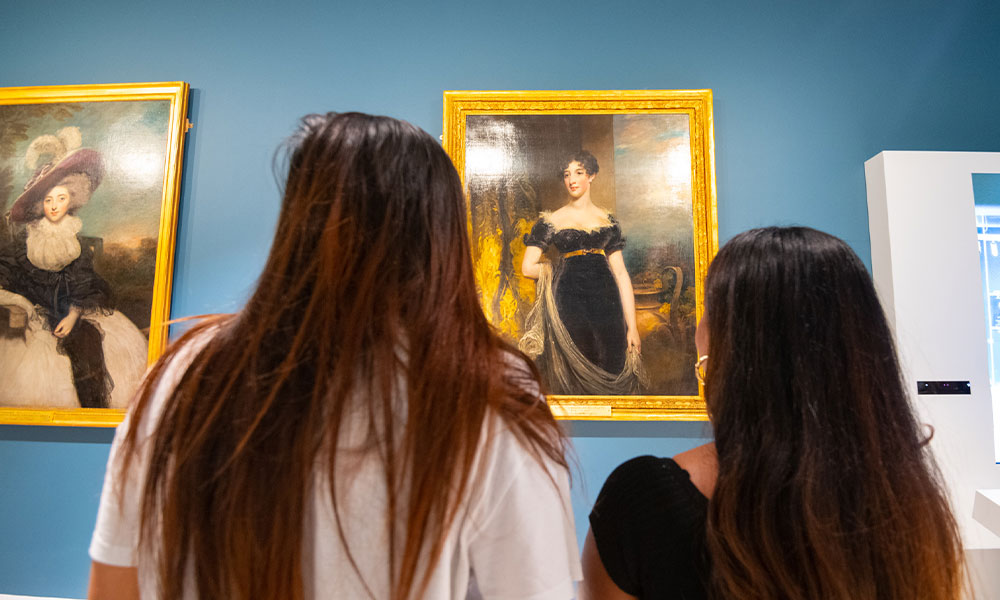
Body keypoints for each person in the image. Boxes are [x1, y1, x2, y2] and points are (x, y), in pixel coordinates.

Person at [87, 112, 581, 600]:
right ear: (442, 235)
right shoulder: (486, 387)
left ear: (298, 224)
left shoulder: (185, 371)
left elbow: (113, 588)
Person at [581, 227, 965, 600]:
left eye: (710, 311)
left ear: (731, 346)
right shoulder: (910, 507)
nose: (698, 327)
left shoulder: (642, 504)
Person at [0, 128, 147, 409]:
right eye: (48, 200)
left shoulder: (73, 242)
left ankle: (92, 408)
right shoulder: (25, 242)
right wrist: (17, 301)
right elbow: (7, 273)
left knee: (85, 341)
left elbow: (83, 283)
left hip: (68, 313)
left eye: (61, 199)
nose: (54, 206)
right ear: (39, 206)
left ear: (71, 202)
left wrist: (72, 315)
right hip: (30, 315)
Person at [520, 150, 644, 395]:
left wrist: (633, 327)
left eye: (578, 173)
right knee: (579, 359)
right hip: (569, 301)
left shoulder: (607, 221)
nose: (571, 180)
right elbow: (527, 267)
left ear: (592, 176)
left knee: (611, 356)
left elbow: (620, 274)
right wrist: (557, 269)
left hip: (608, 302)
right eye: (566, 175)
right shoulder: (552, 220)